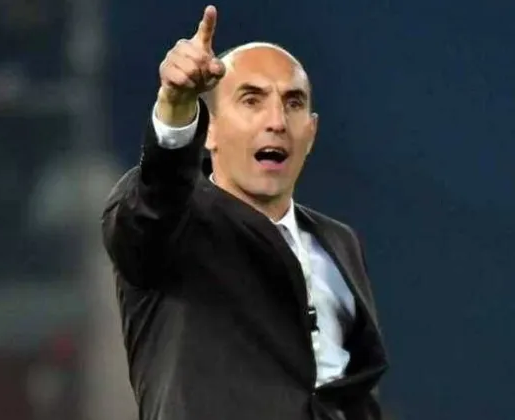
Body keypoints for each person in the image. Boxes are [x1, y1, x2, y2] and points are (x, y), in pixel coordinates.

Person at [101, 5, 388, 420]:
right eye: (251, 100)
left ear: (311, 133)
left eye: (293, 103)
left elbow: (354, 388)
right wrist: (176, 108)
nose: (277, 121)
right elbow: (154, 204)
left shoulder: (339, 243)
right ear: (210, 129)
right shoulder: (177, 224)